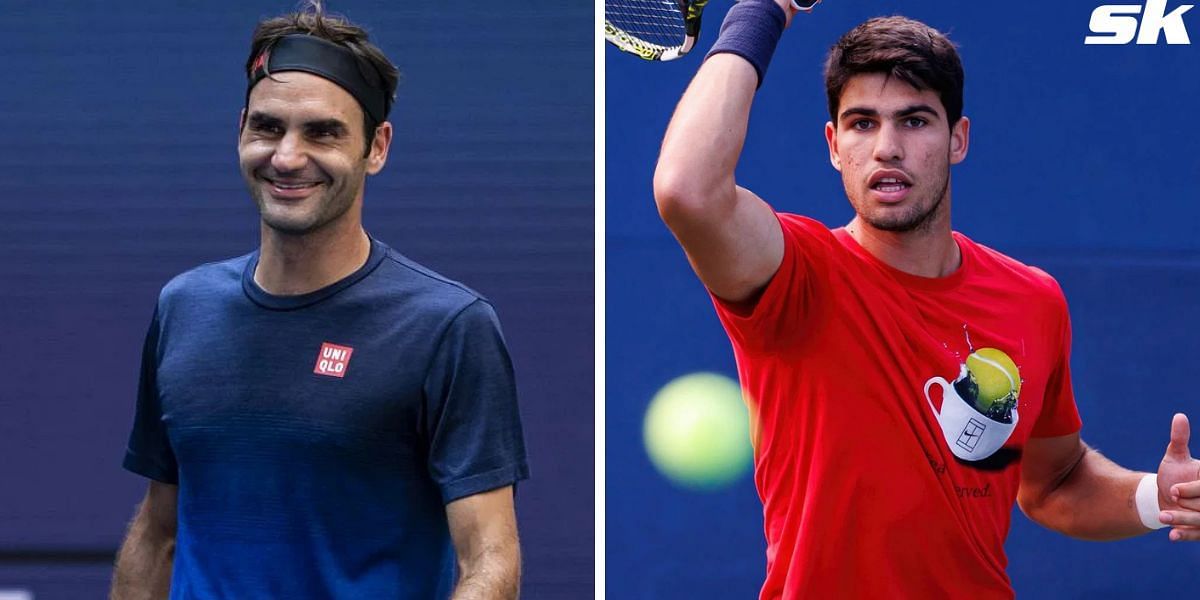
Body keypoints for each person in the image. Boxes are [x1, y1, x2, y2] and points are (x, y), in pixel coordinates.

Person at [652, 1, 1200, 598]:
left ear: (957, 139)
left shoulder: (1033, 298)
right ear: (834, 146)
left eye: (914, 121)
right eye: (863, 123)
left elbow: (1055, 482)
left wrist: (1158, 497)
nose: (887, 147)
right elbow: (688, 190)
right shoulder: (795, 272)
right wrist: (763, 11)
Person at [111, 5, 528, 599]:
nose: (286, 156)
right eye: (267, 127)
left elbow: (489, 561)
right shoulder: (184, 306)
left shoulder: (449, 327)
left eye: (322, 132)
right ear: (240, 131)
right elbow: (157, 532)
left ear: (376, 148)